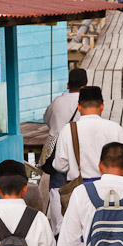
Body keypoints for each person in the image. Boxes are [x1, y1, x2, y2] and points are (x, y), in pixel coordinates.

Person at [53, 86, 123, 184]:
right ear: (102, 106)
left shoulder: (68, 129)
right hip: (109, 187)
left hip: (79, 188)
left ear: (79, 107)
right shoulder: (115, 128)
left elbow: (60, 166)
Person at [43, 67, 87, 236]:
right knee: (79, 185)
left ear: (68, 85)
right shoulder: (85, 104)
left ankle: (58, 229)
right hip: (79, 151)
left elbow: (46, 119)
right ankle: (79, 227)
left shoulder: (57, 102)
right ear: (85, 86)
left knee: (55, 189)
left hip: (57, 150)